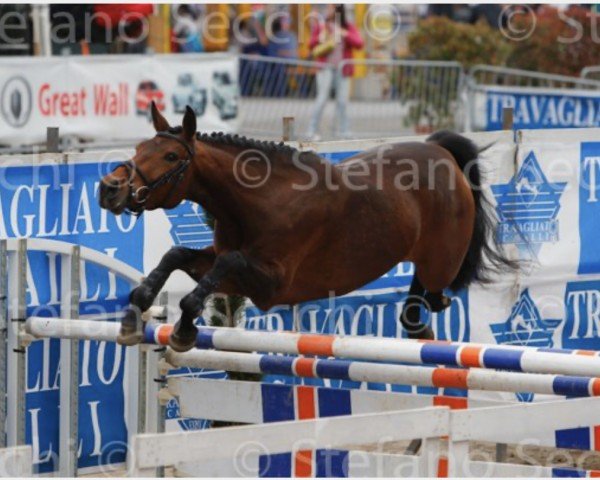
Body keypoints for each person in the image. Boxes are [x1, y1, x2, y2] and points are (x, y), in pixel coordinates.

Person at [307, 5, 364, 140]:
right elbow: (310, 44)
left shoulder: (347, 27)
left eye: (330, 8)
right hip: (325, 68)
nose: (327, 10)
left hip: (342, 69)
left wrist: (344, 34)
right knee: (322, 98)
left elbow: (359, 43)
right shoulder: (323, 26)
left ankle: (344, 130)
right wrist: (320, 38)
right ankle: (312, 129)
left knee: (343, 101)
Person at [266, 13, 298, 96]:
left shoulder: (292, 36)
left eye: (287, 22)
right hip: (279, 64)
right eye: (284, 22)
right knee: (278, 71)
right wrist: (284, 53)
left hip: (291, 63)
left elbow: (294, 53)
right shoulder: (276, 37)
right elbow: (272, 53)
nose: (286, 24)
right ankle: (279, 94)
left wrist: (284, 53)